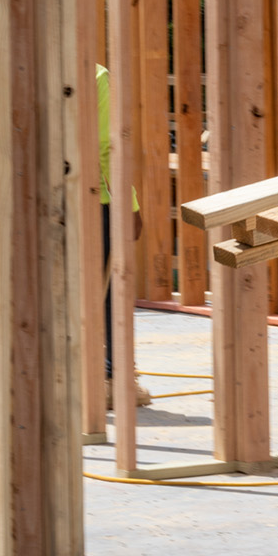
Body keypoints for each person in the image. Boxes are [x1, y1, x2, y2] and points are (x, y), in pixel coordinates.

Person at [98, 64, 149, 410]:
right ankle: (112, 380)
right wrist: (129, 207)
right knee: (107, 294)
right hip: (91, 203)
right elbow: (107, 149)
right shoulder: (93, 75)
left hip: (28, 208)